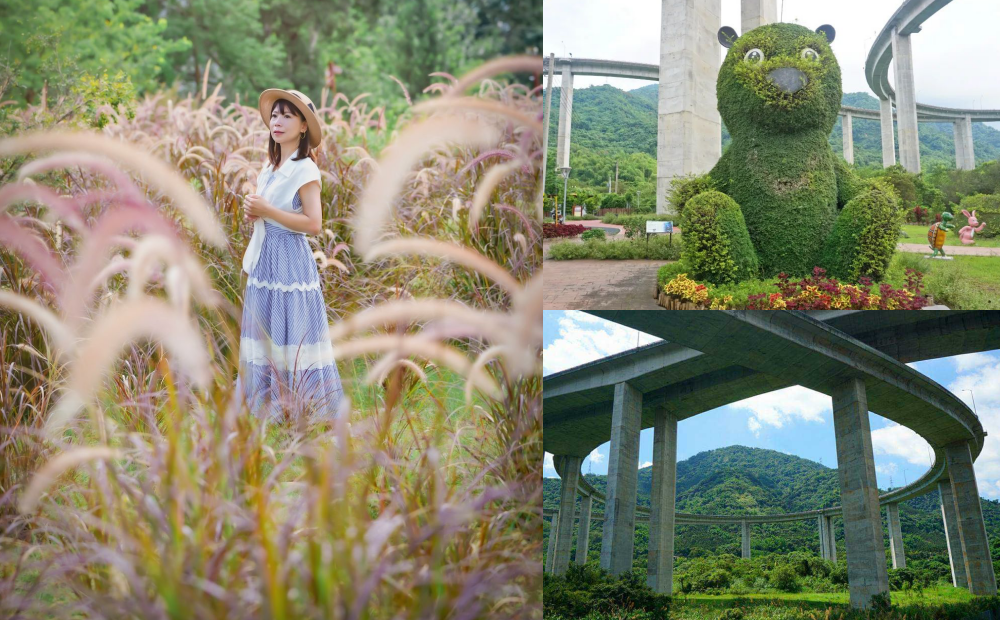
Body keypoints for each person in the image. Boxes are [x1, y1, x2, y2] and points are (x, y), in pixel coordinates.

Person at [235, 88, 343, 421]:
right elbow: (269, 212)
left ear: (302, 127)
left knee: (291, 331)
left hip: (290, 260)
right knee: (265, 329)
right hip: (265, 258)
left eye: (287, 116)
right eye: (276, 115)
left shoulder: (305, 170)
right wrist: (255, 212)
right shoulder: (270, 167)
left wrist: (267, 209)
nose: (278, 122)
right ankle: (266, 406)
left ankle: (301, 405)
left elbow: (313, 223)